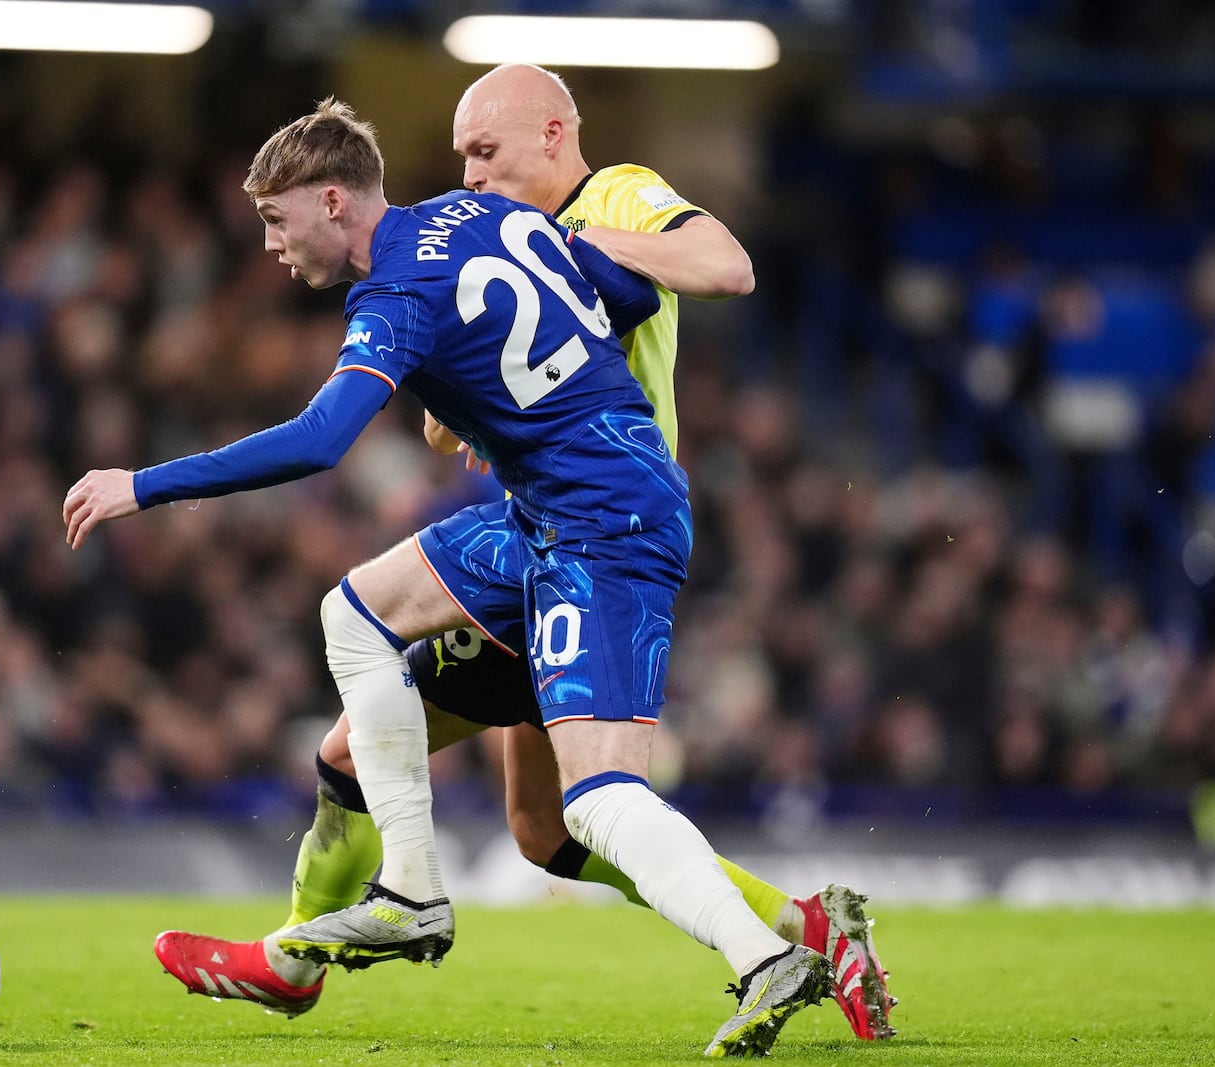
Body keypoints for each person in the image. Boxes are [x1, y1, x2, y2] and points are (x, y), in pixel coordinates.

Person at [65, 97, 833, 1056]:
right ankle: (410, 889)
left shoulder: (396, 293)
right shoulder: (486, 220)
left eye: (275, 219)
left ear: (334, 202)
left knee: (588, 806)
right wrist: (514, 391)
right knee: (356, 612)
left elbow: (319, 442)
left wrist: (143, 483)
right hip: (555, 507)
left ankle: (769, 952)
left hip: (604, 519)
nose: (268, 243)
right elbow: (624, 296)